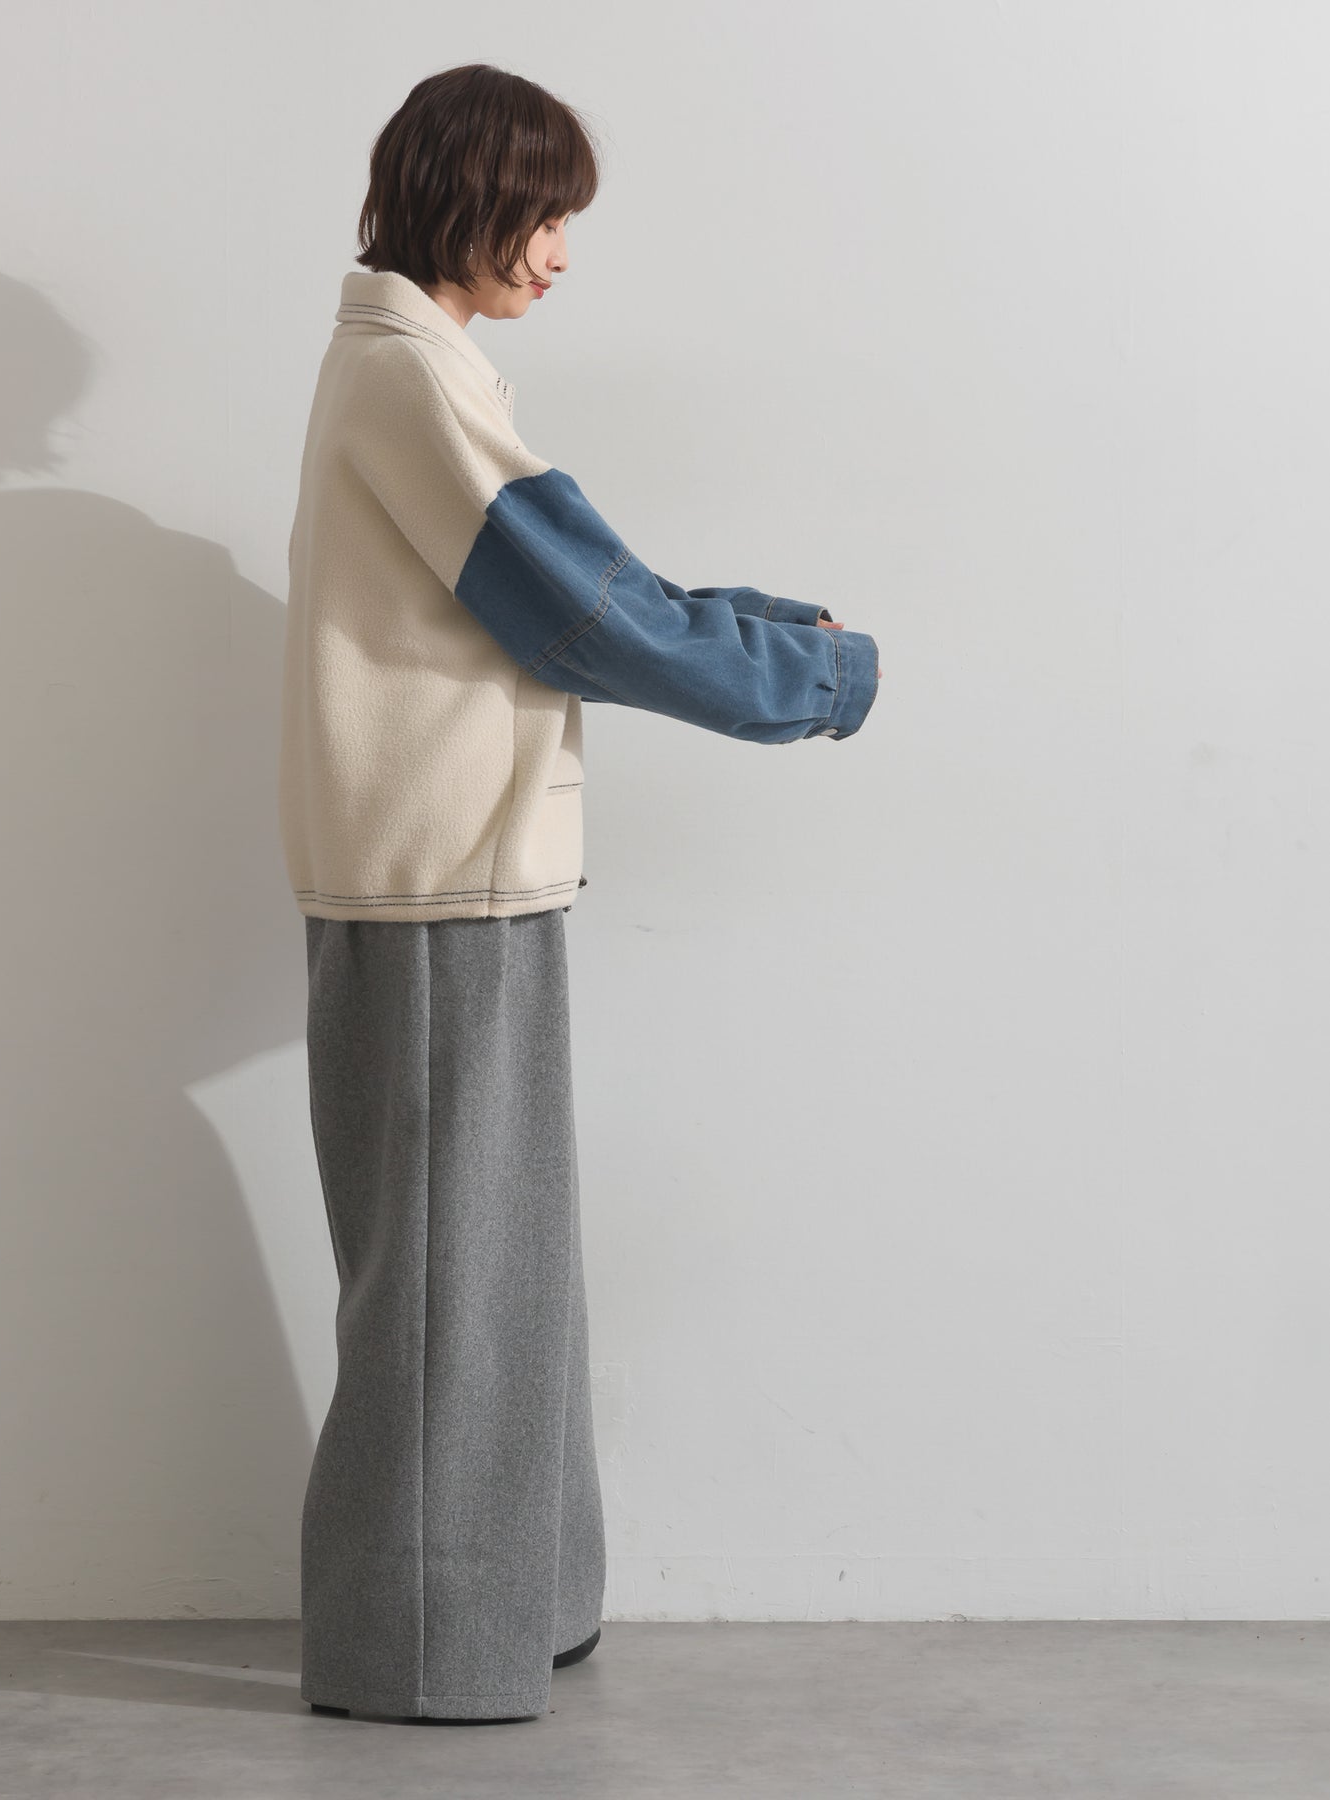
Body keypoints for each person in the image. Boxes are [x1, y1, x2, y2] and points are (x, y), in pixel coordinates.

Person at [279, 61, 882, 1728]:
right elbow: (586, 618)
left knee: (501, 1274)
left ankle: (519, 1610)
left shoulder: (423, 366)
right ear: (466, 199)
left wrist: (777, 630)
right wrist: (815, 680)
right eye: (542, 216)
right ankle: (419, 1649)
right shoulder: (407, 373)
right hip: (434, 887)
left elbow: (595, 588)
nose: (558, 251)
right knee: (449, 1296)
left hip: (469, 877)